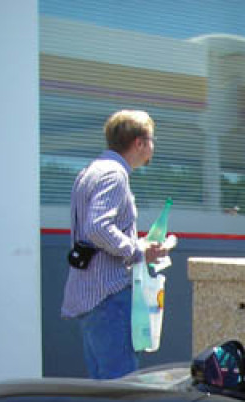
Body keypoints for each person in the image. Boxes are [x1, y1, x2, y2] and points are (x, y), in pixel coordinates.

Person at [60, 109, 165, 379]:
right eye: (151, 140)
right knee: (121, 388)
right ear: (139, 143)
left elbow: (94, 229)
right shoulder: (115, 175)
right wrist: (137, 250)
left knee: (102, 387)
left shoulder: (91, 171)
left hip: (91, 295)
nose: (153, 147)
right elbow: (98, 227)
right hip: (109, 295)